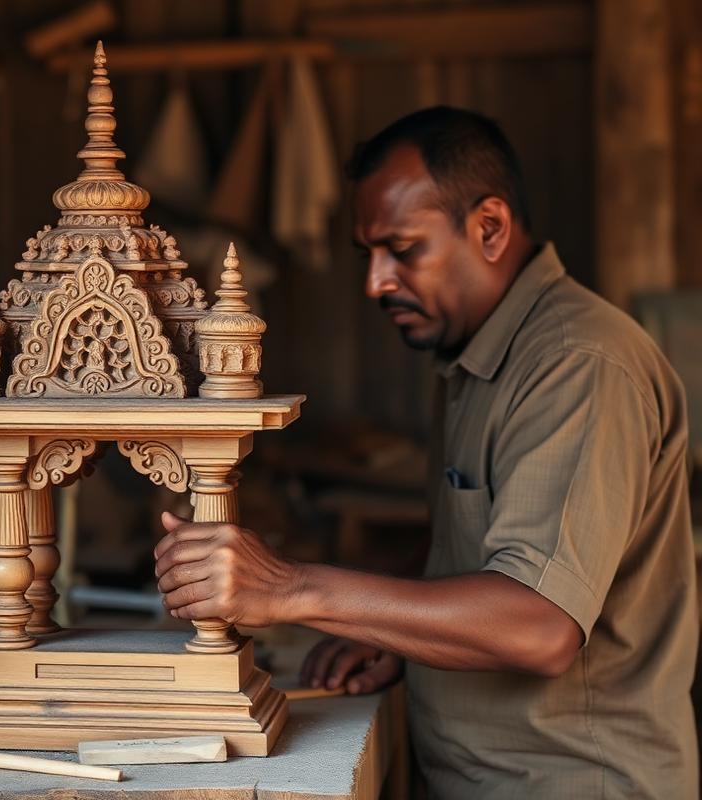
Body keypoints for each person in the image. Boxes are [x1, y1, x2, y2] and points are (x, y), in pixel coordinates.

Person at [154, 106, 697, 797]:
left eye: (403, 249)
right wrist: (394, 628)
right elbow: (480, 546)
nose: (376, 282)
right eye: (370, 254)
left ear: (490, 228)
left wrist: (292, 588)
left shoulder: (577, 364)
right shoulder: (478, 354)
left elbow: (540, 625)